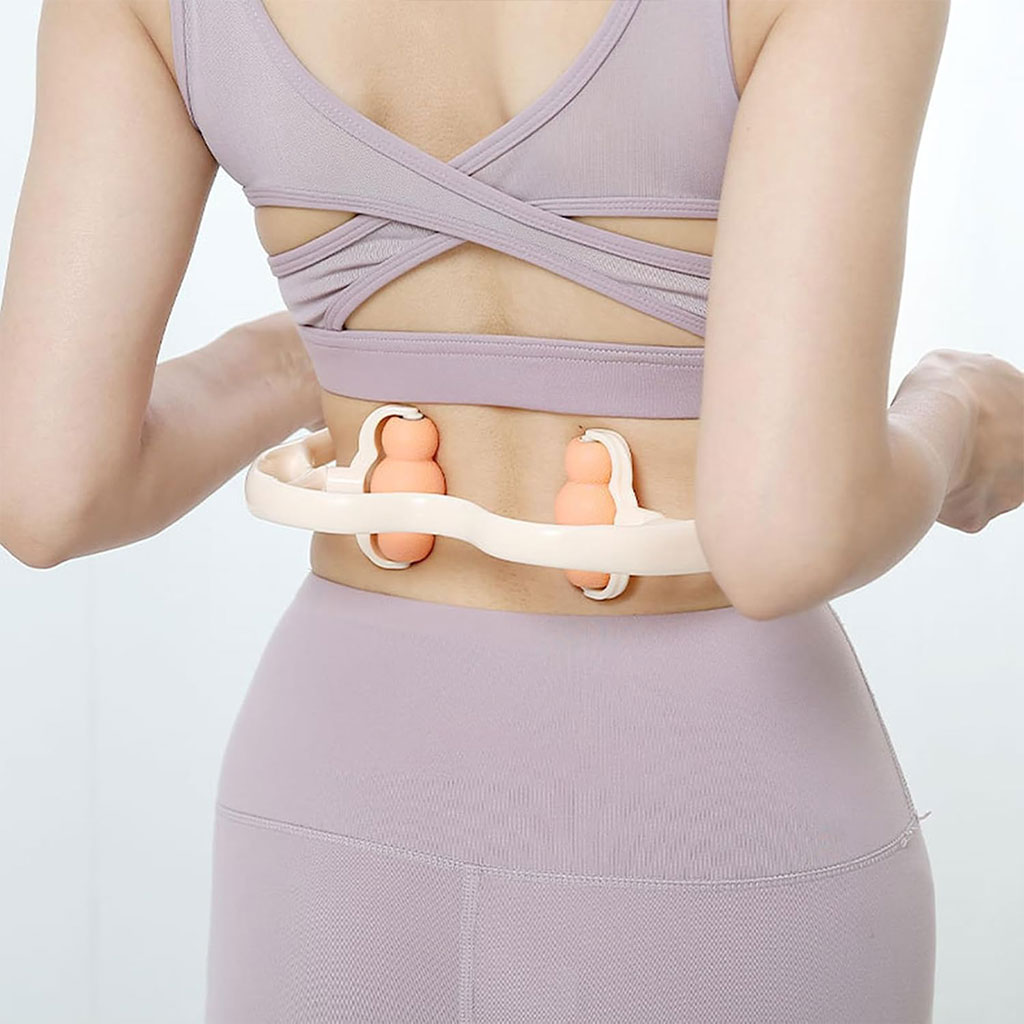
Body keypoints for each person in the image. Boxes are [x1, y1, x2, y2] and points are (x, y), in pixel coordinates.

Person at [1, 0, 1020, 1021]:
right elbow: (783, 532)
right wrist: (959, 415)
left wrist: (320, 352)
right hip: (707, 809)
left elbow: (50, 495)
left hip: (337, 784)